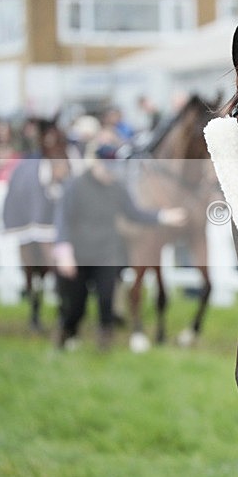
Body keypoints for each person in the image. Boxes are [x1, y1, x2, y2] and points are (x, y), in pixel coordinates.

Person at [54, 143, 186, 350]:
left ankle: (104, 343)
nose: (111, 174)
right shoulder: (75, 186)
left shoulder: (116, 188)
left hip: (106, 253)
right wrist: (64, 252)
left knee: (107, 299)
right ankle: (67, 334)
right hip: (77, 254)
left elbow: (134, 213)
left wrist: (163, 216)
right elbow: (63, 220)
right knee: (75, 306)